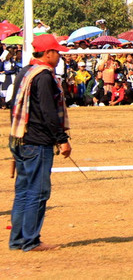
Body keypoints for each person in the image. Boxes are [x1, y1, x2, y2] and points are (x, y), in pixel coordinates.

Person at [9, 34, 72, 252]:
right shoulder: (44, 76)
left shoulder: (24, 72)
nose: (59, 56)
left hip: (20, 138)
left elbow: (14, 107)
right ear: (48, 53)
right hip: (37, 142)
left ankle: (17, 240)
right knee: (38, 192)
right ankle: (31, 241)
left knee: (24, 191)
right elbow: (48, 112)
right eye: (57, 52)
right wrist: (62, 140)